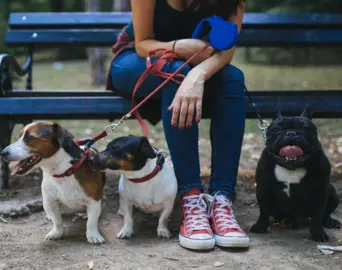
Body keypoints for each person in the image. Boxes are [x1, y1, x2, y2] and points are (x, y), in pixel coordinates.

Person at [106, 0, 249, 250]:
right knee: (176, 73)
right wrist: (177, 47)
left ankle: (221, 199)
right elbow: (142, 45)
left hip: (195, 64)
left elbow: (226, 52)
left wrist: (197, 75)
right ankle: (191, 197)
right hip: (137, 60)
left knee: (234, 79)